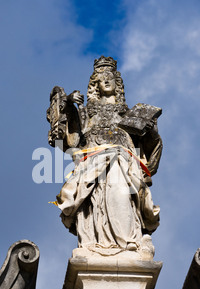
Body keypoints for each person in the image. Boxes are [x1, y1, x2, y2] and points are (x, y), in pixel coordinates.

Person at [47, 56, 162, 255]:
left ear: (118, 84)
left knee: (120, 192)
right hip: (93, 160)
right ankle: (97, 240)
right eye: (102, 78)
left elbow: (152, 148)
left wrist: (151, 131)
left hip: (124, 161)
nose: (107, 81)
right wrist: (68, 104)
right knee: (96, 202)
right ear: (95, 84)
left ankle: (126, 241)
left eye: (110, 77)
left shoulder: (130, 114)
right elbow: (67, 142)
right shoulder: (86, 112)